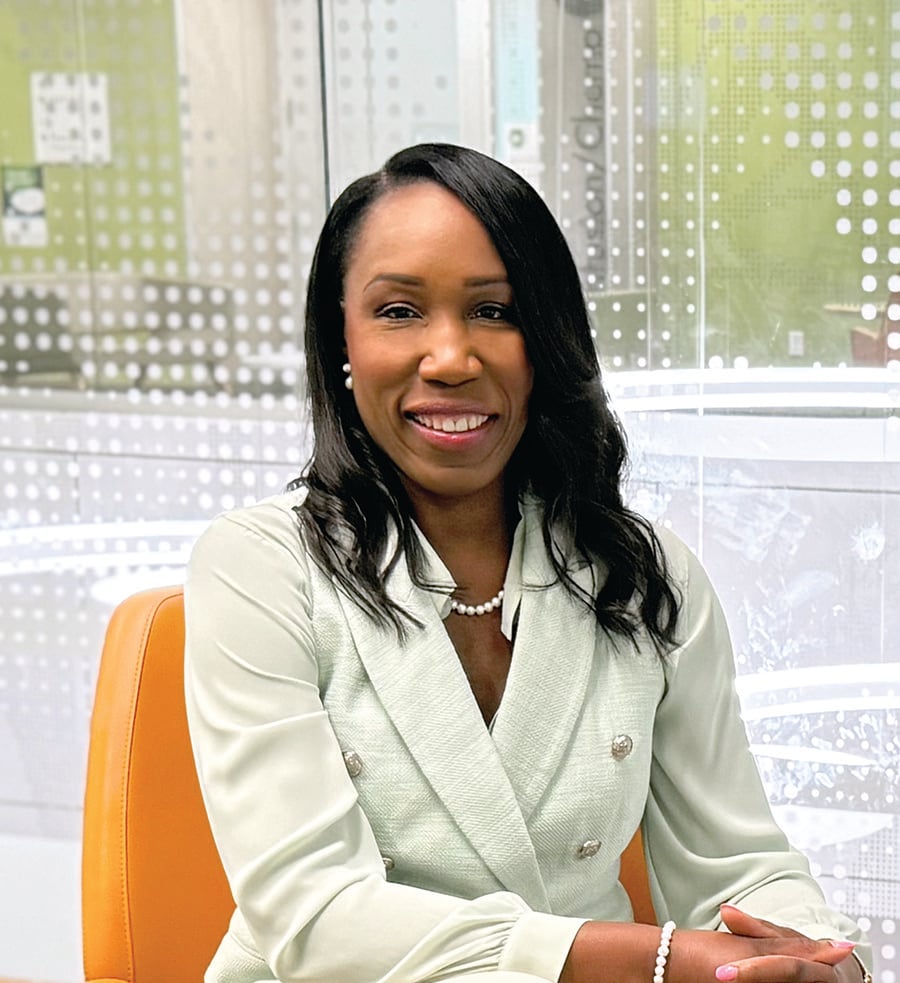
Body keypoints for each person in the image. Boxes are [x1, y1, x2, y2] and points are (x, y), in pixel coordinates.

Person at [184, 143, 872, 983]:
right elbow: (317, 920)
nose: (450, 358)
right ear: (342, 342)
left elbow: (737, 862)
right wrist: (653, 960)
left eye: (495, 310)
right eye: (399, 310)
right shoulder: (261, 567)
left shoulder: (645, 576)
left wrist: (819, 960)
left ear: (545, 340)